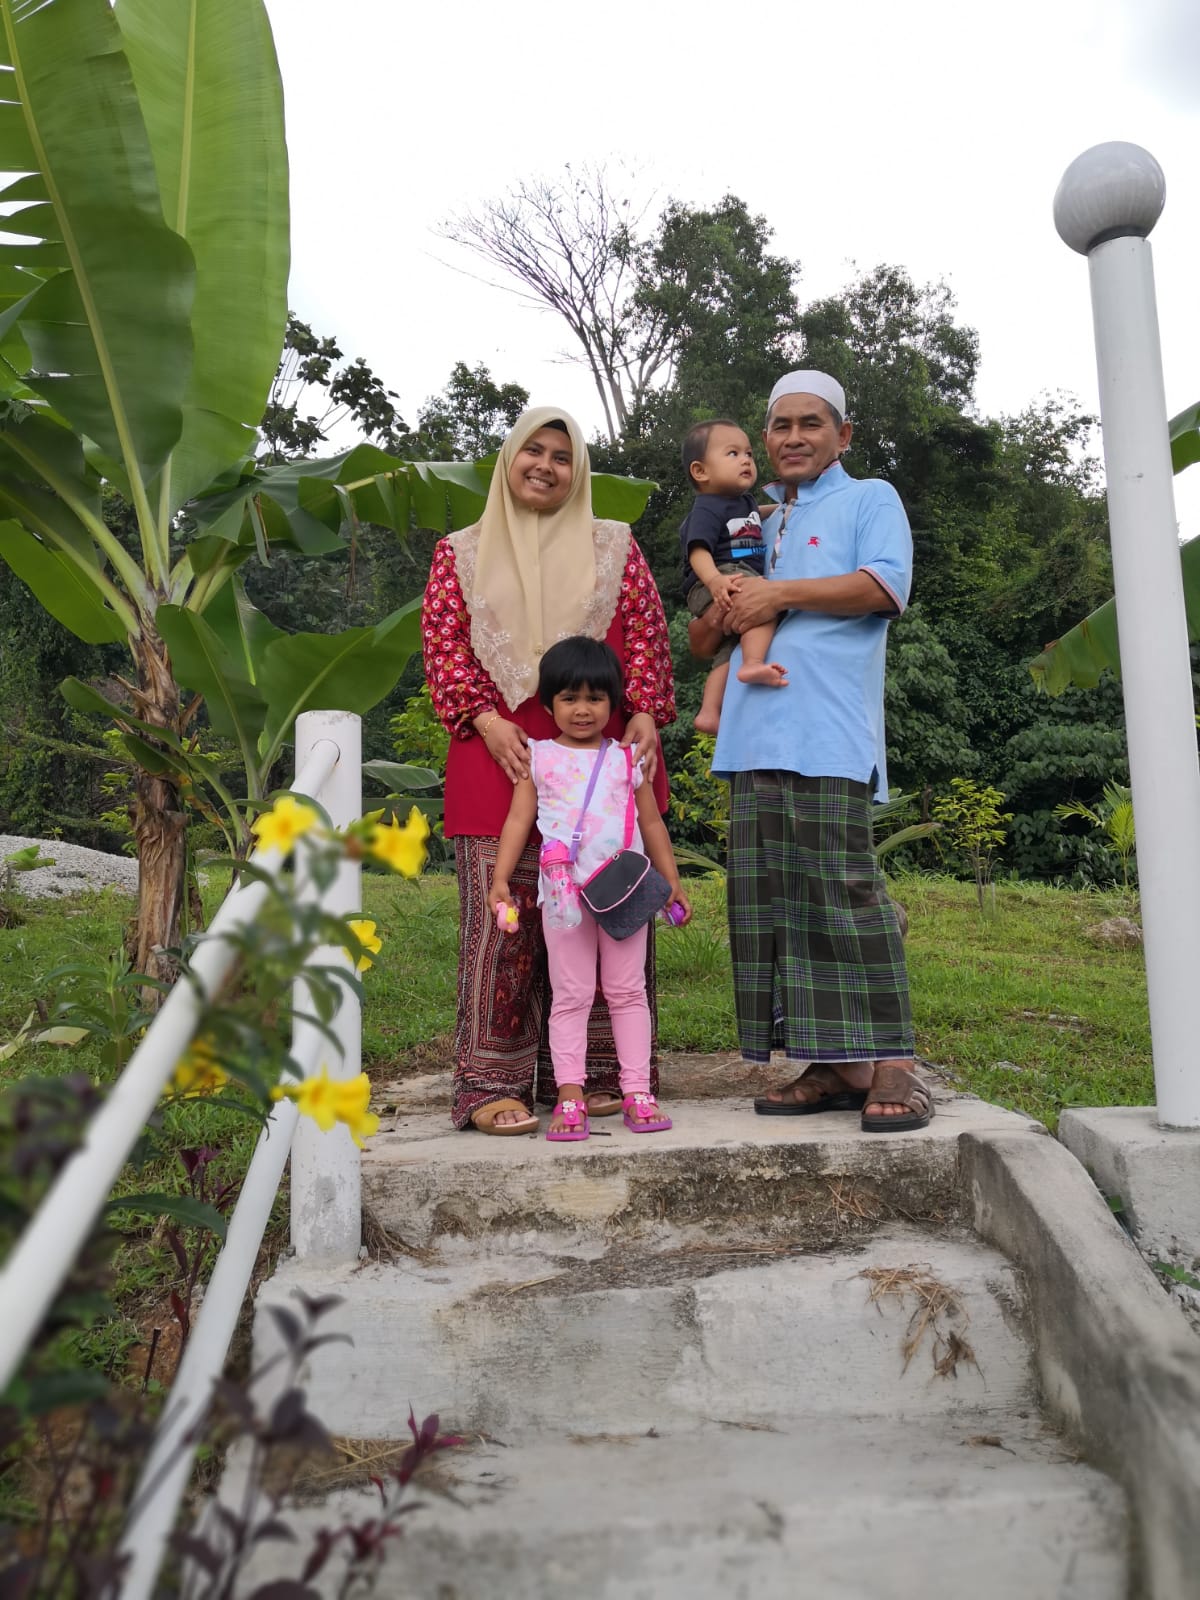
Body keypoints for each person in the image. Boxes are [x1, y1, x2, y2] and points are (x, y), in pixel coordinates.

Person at [422, 406, 676, 1135]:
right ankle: (492, 1081)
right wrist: (485, 717)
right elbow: (444, 647)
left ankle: (600, 1073)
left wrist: (645, 711)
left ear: (578, 471)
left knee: (607, 913)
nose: (545, 466)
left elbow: (645, 638)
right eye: (532, 451)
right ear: (508, 459)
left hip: (602, 758)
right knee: (505, 928)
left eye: (562, 457)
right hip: (499, 754)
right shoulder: (460, 553)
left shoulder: (614, 545)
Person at [705, 370, 931, 1132]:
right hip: (751, 734)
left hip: (830, 732)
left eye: (811, 423)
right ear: (765, 436)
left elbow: (885, 587)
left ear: (843, 434)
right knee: (777, 906)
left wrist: (778, 595)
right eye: (781, 425)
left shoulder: (870, 498)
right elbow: (705, 632)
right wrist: (724, 607)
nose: (794, 437)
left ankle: (894, 1062)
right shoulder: (753, 516)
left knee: (846, 893)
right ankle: (834, 1065)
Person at [487, 637, 691, 1140]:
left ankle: (638, 1091)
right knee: (572, 994)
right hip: (564, 897)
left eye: (595, 698)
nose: (583, 710)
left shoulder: (628, 759)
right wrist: (500, 879)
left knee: (627, 991)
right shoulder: (538, 758)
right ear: (548, 704)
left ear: (614, 702)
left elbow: (651, 822)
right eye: (570, 698)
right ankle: (570, 1096)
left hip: (624, 893)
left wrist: (671, 880)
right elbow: (518, 820)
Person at [679, 419, 787, 734]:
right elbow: (698, 550)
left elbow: (757, 515)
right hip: (717, 578)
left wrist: (783, 508)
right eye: (733, 453)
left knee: (728, 649)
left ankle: (709, 712)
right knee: (764, 604)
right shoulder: (707, 508)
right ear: (700, 471)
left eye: (749, 454)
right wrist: (714, 581)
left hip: (731, 577)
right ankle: (752, 664)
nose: (745, 460)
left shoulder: (744, 503)